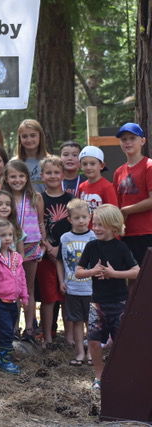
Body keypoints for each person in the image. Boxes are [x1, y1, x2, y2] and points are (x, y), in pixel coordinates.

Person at [75, 204, 140, 390]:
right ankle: (99, 376)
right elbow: (78, 272)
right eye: (94, 224)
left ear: (114, 226)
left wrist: (114, 274)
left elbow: (137, 271)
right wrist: (92, 271)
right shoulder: (91, 246)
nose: (95, 228)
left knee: (120, 342)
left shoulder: (121, 247)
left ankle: (121, 374)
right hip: (97, 303)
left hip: (119, 303)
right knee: (94, 341)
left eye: (100, 225)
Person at [2, 159, 45, 343]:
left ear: (27, 177)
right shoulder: (4, 198)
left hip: (31, 245)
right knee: (12, 288)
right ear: (6, 178)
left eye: (21, 176)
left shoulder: (35, 197)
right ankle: (13, 327)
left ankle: (29, 328)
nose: (17, 180)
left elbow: (41, 222)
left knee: (28, 286)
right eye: (13, 176)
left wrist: (44, 243)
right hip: (10, 247)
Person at [0, 219, 28, 374]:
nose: (7, 238)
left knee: (9, 329)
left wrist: (24, 295)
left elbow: (21, 277)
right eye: (3, 235)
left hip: (13, 301)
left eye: (10, 235)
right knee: (6, 330)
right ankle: (3, 360)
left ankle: (3, 355)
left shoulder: (16, 257)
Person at [38, 156, 72, 346]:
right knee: (49, 297)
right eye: (48, 172)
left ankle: (68, 337)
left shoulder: (70, 199)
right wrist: (48, 247)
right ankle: (48, 337)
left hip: (68, 255)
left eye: (56, 172)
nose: (52, 176)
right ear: (42, 175)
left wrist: (62, 248)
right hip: (46, 255)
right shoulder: (39, 199)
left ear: (63, 174)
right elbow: (38, 224)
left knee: (67, 296)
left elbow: (76, 226)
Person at [57, 198, 95, 365]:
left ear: (90, 217)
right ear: (69, 219)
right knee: (77, 322)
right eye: (77, 217)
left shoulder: (94, 237)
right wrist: (61, 281)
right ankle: (79, 352)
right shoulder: (65, 238)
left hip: (91, 289)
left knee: (91, 322)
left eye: (84, 217)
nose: (81, 221)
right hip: (72, 287)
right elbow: (59, 260)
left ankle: (92, 352)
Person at [113, 122, 152, 266]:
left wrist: (125, 210)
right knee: (130, 279)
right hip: (124, 234)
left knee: (147, 278)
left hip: (147, 232)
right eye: (124, 139)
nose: (128, 142)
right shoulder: (118, 172)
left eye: (132, 138)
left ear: (142, 141)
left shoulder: (149, 166)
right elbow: (117, 203)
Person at [78, 146, 118, 218]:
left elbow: (113, 213)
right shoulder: (81, 187)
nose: (88, 167)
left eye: (92, 164)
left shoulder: (107, 187)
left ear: (102, 165)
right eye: (84, 164)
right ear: (80, 166)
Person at [13, 119, 49, 193]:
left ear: (40, 136)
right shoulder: (14, 163)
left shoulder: (50, 161)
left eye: (33, 135)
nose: (29, 140)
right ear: (20, 138)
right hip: (22, 203)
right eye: (24, 136)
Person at [0, 190, 25, 255]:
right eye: (0, 204)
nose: (4, 207)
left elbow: (21, 253)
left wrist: (17, 264)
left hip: (12, 264)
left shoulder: (16, 227)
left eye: (8, 204)